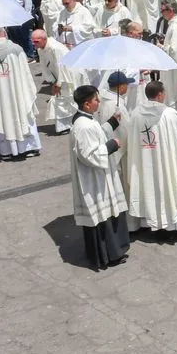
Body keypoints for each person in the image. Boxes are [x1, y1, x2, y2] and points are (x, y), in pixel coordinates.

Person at [69, 84, 130, 271]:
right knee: (102, 214)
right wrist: (112, 145)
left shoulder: (86, 120)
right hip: (94, 180)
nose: (99, 102)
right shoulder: (84, 126)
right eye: (96, 99)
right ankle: (108, 254)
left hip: (100, 176)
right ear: (87, 104)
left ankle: (114, 251)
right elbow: (89, 154)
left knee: (108, 213)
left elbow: (97, 135)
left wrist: (112, 122)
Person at [124, 81, 177, 238]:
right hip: (166, 163)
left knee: (149, 190)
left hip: (145, 162)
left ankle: (152, 225)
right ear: (160, 94)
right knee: (169, 189)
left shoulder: (135, 113)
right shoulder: (169, 114)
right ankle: (172, 228)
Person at [0, 28, 42, 159]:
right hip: (19, 90)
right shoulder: (16, 49)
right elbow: (25, 72)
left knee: (3, 117)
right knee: (23, 112)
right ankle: (29, 147)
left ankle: (7, 150)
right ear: (4, 33)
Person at [31, 28, 76, 134]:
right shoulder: (41, 49)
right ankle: (63, 126)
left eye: (36, 41)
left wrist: (59, 83)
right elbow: (44, 66)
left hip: (67, 77)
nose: (34, 44)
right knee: (60, 100)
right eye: (32, 41)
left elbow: (63, 66)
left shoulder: (56, 48)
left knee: (69, 99)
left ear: (44, 39)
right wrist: (51, 81)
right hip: (56, 77)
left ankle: (72, 124)